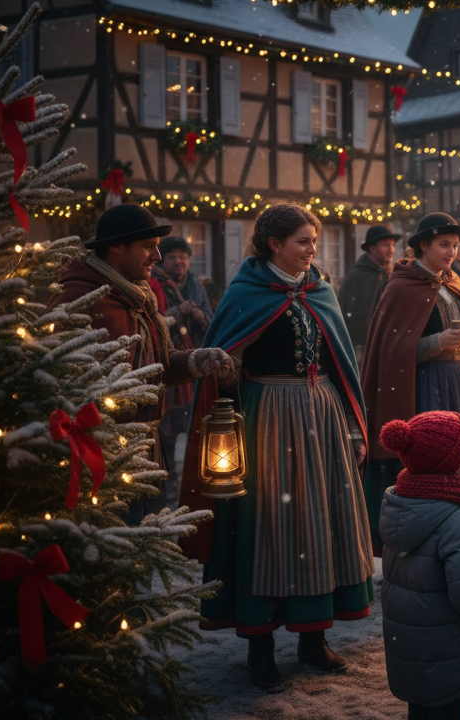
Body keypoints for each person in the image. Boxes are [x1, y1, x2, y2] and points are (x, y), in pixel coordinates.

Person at [178, 204, 375, 692]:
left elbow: (342, 364)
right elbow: (229, 363)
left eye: (314, 241)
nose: (312, 250)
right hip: (266, 416)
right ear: (274, 245)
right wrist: (225, 366)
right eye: (303, 242)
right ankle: (260, 645)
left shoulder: (320, 290)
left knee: (320, 521)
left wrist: (352, 425)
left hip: (322, 413)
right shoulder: (247, 292)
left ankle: (314, 637)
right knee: (267, 523)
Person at [52, 204, 234, 519]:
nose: (158, 257)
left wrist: (197, 360)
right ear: (116, 246)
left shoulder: (137, 298)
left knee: (147, 546)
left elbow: (155, 366)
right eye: (148, 246)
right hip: (107, 458)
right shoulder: (82, 301)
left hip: (148, 448)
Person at [361, 213, 460, 554]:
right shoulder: (402, 286)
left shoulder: (453, 282)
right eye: (444, 245)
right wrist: (437, 342)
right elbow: (392, 351)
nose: (451, 252)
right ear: (423, 245)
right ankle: (429, 539)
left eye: (455, 246)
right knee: (436, 464)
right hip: (426, 389)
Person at [379, 410, 460, 720]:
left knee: (422, 711)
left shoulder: (400, 502)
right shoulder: (457, 517)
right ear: (448, 462)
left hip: (413, 645)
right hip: (447, 647)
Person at [151, 234, 216, 504]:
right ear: (163, 260)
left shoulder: (195, 285)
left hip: (194, 360)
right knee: (166, 430)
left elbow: (211, 318)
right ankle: (166, 482)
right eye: (173, 257)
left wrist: (200, 315)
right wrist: (179, 310)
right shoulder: (155, 284)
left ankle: (190, 481)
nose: (179, 262)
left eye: (183, 257)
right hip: (168, 361)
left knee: (191, 425)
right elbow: (157, 319)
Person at [338, 225, 401, 363]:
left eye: (392, 245)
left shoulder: (389, 273)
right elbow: (352, 316)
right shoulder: (358, 275)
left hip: (386, 344)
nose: (391, 250)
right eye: (386, 245)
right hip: (363, 347)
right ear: (372, 248)